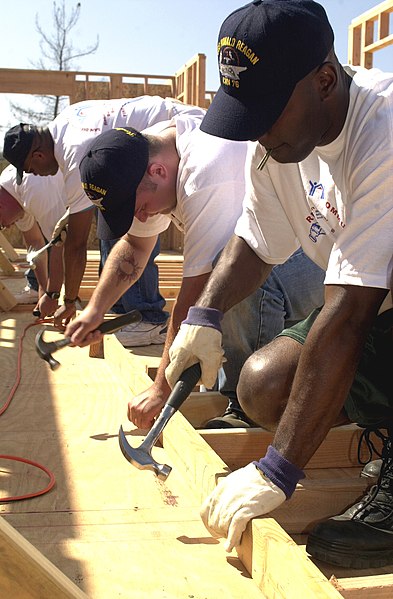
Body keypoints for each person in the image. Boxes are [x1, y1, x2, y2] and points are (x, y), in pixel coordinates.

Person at [164, 0, 393, 569]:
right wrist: (204, 316)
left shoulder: (383, 130)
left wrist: (280, 468)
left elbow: (348, 317)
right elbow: (257, 241)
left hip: (371, 307)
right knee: (263, 387)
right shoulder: (281, 144)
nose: (258, 133)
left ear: (324, 80)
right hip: (379, 307)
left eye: (267, 111)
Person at [63, 113, 325, 431]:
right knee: (228, 277)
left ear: (157, 171)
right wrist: (95, 310)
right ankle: (238, 380)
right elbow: (135, 244)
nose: (142, 215)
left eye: (139, 206)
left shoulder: (206, 172)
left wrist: (161, 388)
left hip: (323, 256)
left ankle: (249, 408)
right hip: (284, 245)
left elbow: (198, 295)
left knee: (234, 280)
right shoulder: (148, 151)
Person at [2, 96, 205, 340]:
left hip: (174, 142)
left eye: (30, 169)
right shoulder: (66, 128)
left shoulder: (78, 156)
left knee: (131, 220)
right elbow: (134, 245)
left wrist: (67, 300)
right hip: (153, 146)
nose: (34, 174)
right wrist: (96, 308)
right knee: (118, 224)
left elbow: (74, 244)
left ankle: (147, 315)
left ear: (38, 155)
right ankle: (122, 305)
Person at [0, 165, 66, 317]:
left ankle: (125, 310)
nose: (7, 227)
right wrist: (43, 288)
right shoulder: (13, 197)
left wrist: (54, 295)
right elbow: (35, 243)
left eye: (2, 224)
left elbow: (62, 244)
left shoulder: (33, 191)